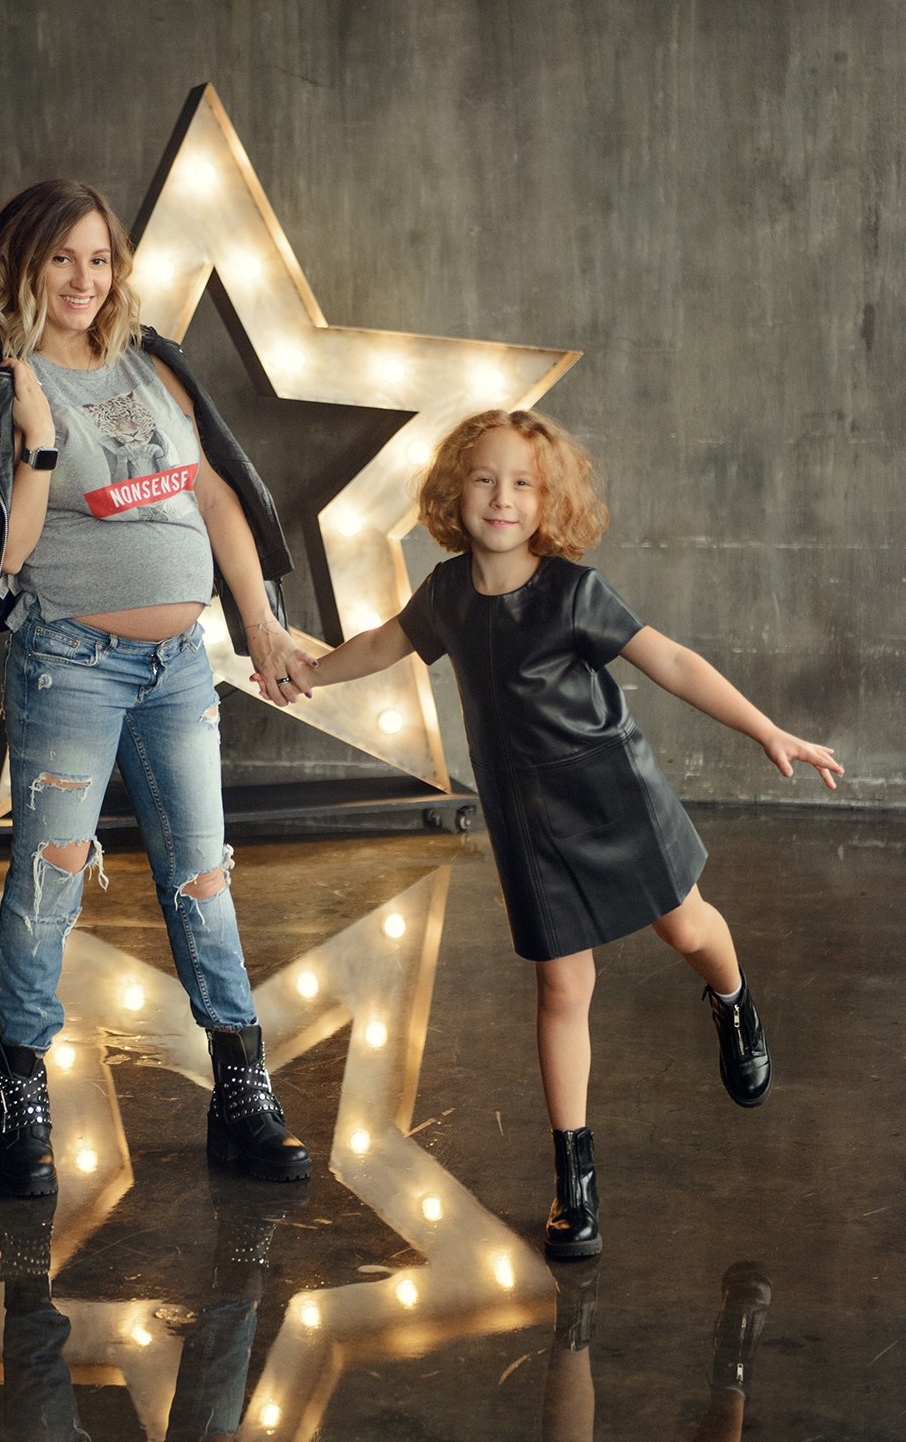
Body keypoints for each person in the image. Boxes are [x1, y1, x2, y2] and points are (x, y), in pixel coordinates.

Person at [263, 408, 843, 1257]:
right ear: (454, 492)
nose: (502, 498)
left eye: (522, 484)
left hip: (613, 795)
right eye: (484, 479)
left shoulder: (574, 592)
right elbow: (383, 643)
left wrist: (766, 730)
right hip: (526, 818)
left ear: (548, 501)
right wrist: (308, 672)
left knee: (684, 926)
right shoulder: (446, 595)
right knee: (562, 988)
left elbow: (671, 660)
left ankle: (732, 1000)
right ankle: (574, 1177)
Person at [0, 178, 317, 1196]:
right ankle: (22, 1098)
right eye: (61, 258)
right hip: (70, 667)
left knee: (202, 876)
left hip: (180, 666)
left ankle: (242, 1093)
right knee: (49, 881)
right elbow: (2, 558)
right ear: (22, 264)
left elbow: (214, 495)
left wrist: (261, 623)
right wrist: (42, 444)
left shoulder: (153, 365)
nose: (82, 279)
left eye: (98, 258)